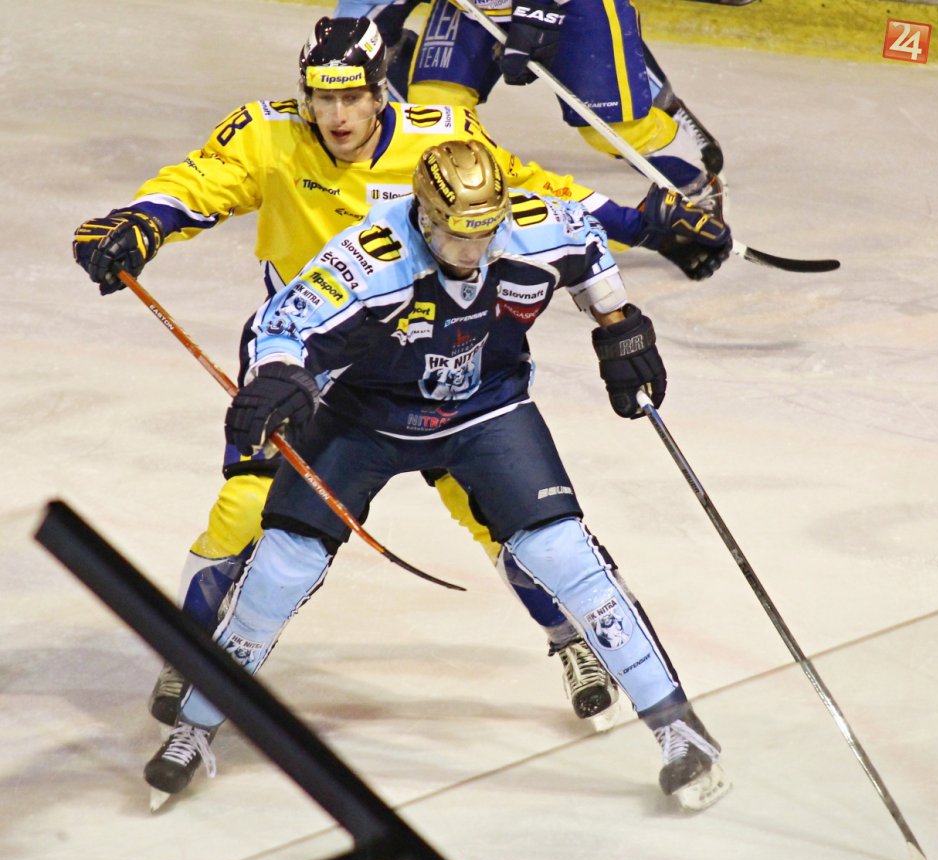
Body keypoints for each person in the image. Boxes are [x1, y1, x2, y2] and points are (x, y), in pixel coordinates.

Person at [72, 18, 732, 735]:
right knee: (247, 506)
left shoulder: (440, 137)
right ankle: (191, 651)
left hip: (436, 350)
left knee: (497, 512)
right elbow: (199, 181)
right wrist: (141, 220)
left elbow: (531, 194)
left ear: (380, 91)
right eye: (323, 98)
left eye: (352, 97)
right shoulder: (267, 134)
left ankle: (574, 639)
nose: (337, 116)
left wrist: (644, 224)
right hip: (311, 363)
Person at [143, 138, 731, 815]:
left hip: (485, 410)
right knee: (281, 566)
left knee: (563, 553)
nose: (471, 248)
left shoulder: (535, 225)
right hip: (363, 418)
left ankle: (679, 729)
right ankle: (196, 725)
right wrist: (277, 376)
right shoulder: (370, 257)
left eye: (484, 231)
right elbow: (280, 325)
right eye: (455, 232)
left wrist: (619, 326)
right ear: (423, 214)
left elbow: (589, 247)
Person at [336, 0, 726, 211]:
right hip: (471, 9)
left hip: (573, 5)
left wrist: (537, 13)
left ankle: (697, 187)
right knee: (436, 108)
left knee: (613, 128)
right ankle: (459, 208)